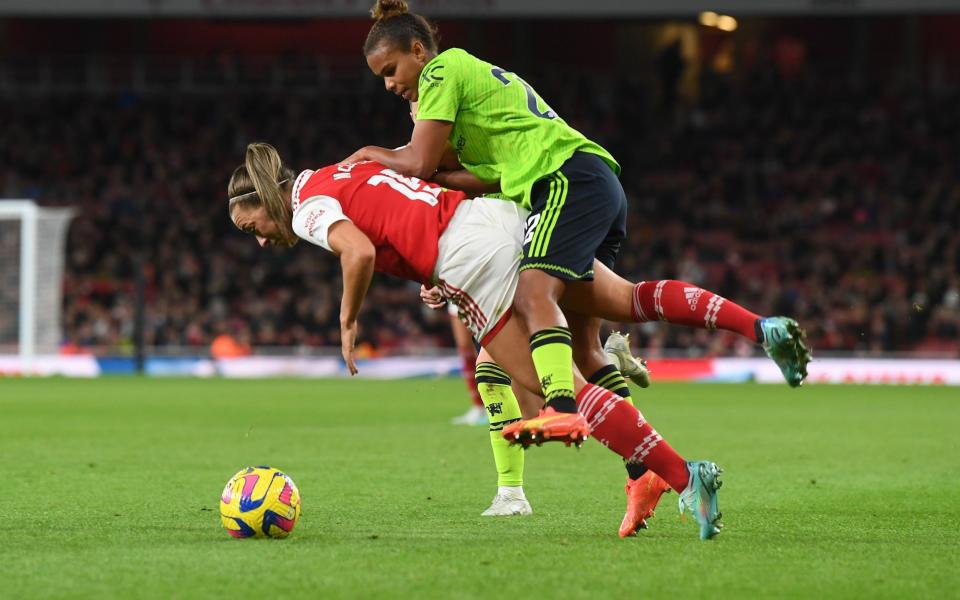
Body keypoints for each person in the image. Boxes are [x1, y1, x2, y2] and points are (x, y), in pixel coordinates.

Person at [341, 0, 810, 461]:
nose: (389, 84)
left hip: (564, 179)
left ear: (419, 50)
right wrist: (436, 176)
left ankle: (561, 407)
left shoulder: (441, 73)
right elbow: (484, 177)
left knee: (532, 294)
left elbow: (419, 162)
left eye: (390, 69)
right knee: (593, 341)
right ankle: (649, 463)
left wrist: (369, 153)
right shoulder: (471, 102)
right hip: (584, 180)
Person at [228, 144, 729, 538]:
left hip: (471, 259)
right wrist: (422, 257)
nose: (262, 240)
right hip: (494, 218)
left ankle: (681, 474)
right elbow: (404, 200)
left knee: (555, 393)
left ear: (267, 202)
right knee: (609, 315)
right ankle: (645, 429)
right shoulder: (332, 172)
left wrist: (347, 319)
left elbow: (356, 253)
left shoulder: (304, 209)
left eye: (255, 227)